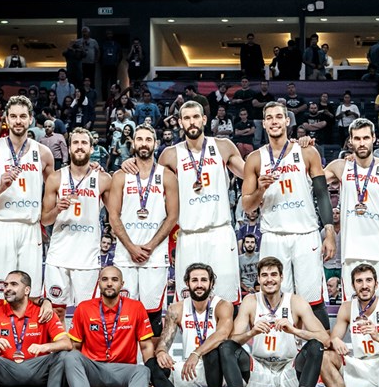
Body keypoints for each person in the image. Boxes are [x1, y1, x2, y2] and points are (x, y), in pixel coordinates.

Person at [137, 101, 244, 305]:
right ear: (180, 122)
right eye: (186, 118)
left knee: (227, 299)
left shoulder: (223, 146)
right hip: (188, 235)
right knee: (187, 300)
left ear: (204, 119)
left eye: (196, 117)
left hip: (219, 232)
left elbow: (250, 174)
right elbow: (150, 182)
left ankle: (226, 338)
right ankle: (191, 338)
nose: (192, 122)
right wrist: (129, 163)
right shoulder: (170, 154)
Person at [240, 102, 335, 330]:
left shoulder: (306, 152)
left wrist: (329, 231)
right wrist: (260, 190)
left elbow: (322, 193)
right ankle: (286, 353)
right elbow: (247, 206)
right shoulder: (255, 159)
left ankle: (324, 353)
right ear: (264, 123)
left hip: (306, 234)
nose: (274, 121)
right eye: (269, 117)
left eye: (279, 117)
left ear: (287, 121)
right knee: (276, 299)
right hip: (273, 234)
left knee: (313, 300)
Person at [219, 257, 330, 387]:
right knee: (225, 347)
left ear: (281, 277)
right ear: (259, 279)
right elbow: (232, 339)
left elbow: (325, 339)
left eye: (273, 275)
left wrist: (294, 330)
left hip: (289, 370)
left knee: (316, 347)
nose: (269, 279)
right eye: (264, 275)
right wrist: (251, 333)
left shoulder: (296, 301)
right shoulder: (250, 301)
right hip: (259, 370)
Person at [0, 95, 54, 298]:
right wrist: (1, 187)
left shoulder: (43, 153)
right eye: (14, 116)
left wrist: (89, 169)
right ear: (6, 119)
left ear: (30, 119)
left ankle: (30, 330)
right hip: (1, 225)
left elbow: (57, 187)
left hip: (30, 227)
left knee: (32, 292)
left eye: (23, 116)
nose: (18, 121)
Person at [324, 119, 379, 301]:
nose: (361, 143)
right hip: (352, 252)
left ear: (374, 138)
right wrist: (301, 147)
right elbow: (310, 180)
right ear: (350, 141)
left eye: (365, 138)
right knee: (355, 312)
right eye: (357, 138)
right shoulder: (340, 167)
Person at [107, 124, 177, 327]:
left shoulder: (167, 176)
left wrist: (151, 246)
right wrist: (131, 247)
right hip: (125, 255)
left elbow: (172, 216)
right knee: (123, 313)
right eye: (139, 139)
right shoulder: (120, 176)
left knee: (152, 315)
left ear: (155, 143)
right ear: (133, 143)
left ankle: (151, 360)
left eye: (148, 139)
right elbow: (113, 216)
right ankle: (126, 358)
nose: (144, 143)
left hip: (154, 255)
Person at [154, 263, 235, 387]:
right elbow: (164, 340)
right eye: (194, 280)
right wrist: (161, 352)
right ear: (187, 283)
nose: (199, 284)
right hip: (190, 370)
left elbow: (222, 334)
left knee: (213, 351)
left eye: (204, 280)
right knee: (153, 365)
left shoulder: (223, 305)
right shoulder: (176, 308)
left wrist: (196, 353)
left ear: (211, 283)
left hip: (218, 371)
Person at [40, 127, 111, 317]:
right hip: (59, 254)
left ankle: (83, 348)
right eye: (76, 143)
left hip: (87, 255)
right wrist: (58, 209)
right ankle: (59, 347)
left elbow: (115, 215)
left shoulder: (103, 179)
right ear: (69, 148)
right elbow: (45, 218)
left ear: (91, 148)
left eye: (84, 143)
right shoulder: (55, 178)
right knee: (57, 310)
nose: (80, 147)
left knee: (87, 311)